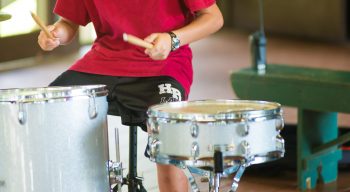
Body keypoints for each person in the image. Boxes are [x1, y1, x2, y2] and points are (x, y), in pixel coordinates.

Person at [37, 0, 223, 191]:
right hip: (102, 62)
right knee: (48, 110)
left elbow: (213, 18)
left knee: (167, 146)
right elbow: (68, 23)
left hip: (163, 66)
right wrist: (56, 34)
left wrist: (172, 39)